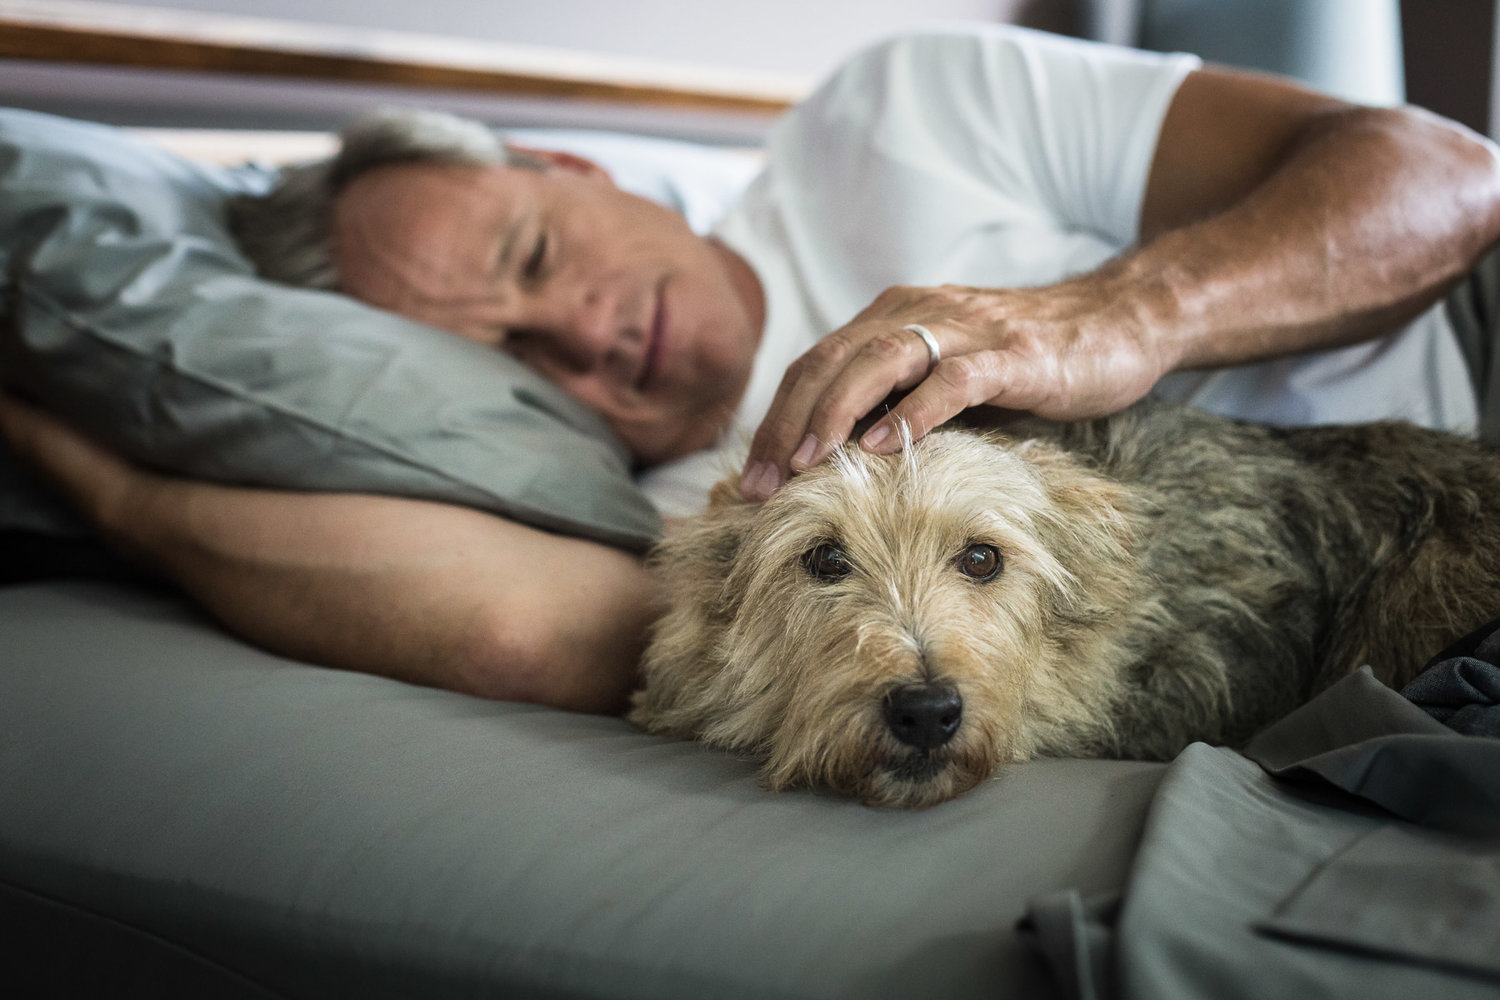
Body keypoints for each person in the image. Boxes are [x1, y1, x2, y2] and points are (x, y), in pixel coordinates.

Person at [4, 25, 1500, 713]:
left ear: (574, 164)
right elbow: (505, 643)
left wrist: (1115, 317)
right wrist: (99, 484)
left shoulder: (899, 105)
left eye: (533, 260)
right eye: (519, 357)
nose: (582, 336)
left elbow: (1437, 173)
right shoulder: (677, 509)